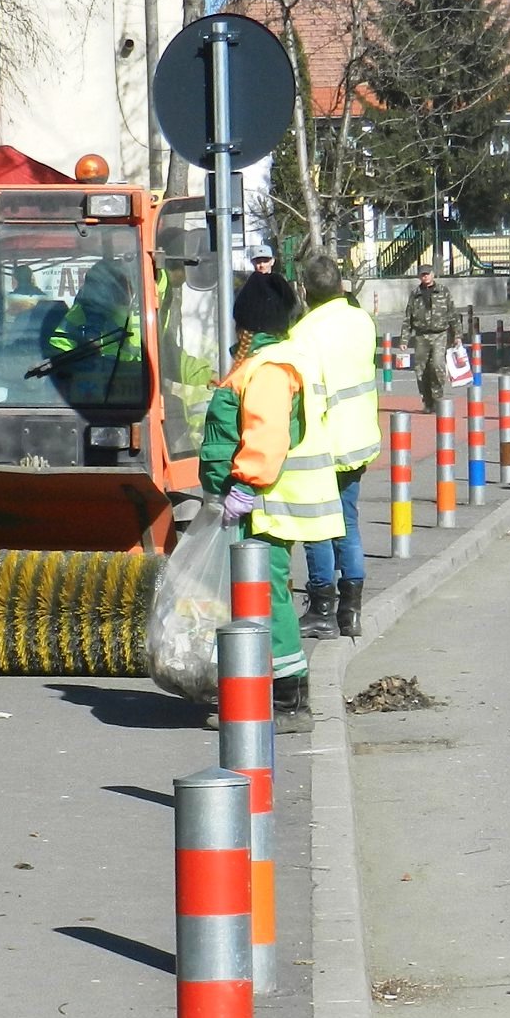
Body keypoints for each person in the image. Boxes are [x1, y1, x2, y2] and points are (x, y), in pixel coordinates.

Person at [198, 276, 343, 723]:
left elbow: (268, 435)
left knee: (267, 596)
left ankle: (285, 699)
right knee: (262, 595)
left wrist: (244, 486)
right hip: (272, 501)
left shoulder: (268, 368)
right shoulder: (280, 358)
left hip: (266, 503)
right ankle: (267, 692)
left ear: (248, 323)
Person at [288, 256, 379, 641]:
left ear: (305, 290)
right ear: (341, 284)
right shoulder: (362, 321)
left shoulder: (304, 333)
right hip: (358, 438)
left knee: (318, 527)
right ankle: (351, 611)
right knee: (349, 523)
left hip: (321, 442)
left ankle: (322, 609)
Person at [44, 258, 146, 403]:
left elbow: (150, 360)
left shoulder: (141, 315)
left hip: (130, 394)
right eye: (117, 285)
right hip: (88, 395)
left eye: (124, 284)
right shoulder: (79, 316)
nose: (122, 290)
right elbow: (59, 364)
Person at [403, 264, 462, 413]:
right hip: (421, 336)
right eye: (422, 275)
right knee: (421, 370)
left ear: (433, 274)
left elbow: (453, 314)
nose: (425, 277)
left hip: (439, 334)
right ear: (419, 277)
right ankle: (427, 400)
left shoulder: (443, 291)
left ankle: (437, 397)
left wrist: (457, 335)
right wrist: (404, 340)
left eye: (428, 274)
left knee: (437, 365)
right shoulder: (415, 294)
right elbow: (408, 318)